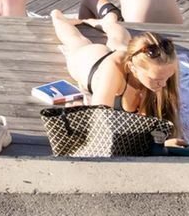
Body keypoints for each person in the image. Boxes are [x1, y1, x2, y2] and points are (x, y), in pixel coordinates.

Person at [50, 11, 181, 140]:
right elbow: (98, 119)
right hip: (90, 62)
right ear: (132, 68)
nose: (163, 84)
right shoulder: (113, 69)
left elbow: (165, 119)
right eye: (156, 79)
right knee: (76, 41)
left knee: (120, 40)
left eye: (168, 77)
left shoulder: (166, 63)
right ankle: (58, 17)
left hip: (126, 56)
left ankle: (108, 22)